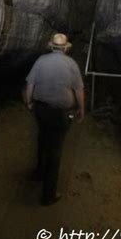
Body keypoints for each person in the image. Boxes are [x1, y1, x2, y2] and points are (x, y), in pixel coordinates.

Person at [24, 32, 85, 206]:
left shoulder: (41, 61)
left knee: (42, 137)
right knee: (55, 150)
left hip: (41, 109)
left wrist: (29, 102)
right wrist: (81, 109)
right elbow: (79, 89)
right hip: (60, 112)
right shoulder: (71, 63)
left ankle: (38, 173)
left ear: (51, 46)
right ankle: (48, 195)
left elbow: (30, 84)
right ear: (65, 48)